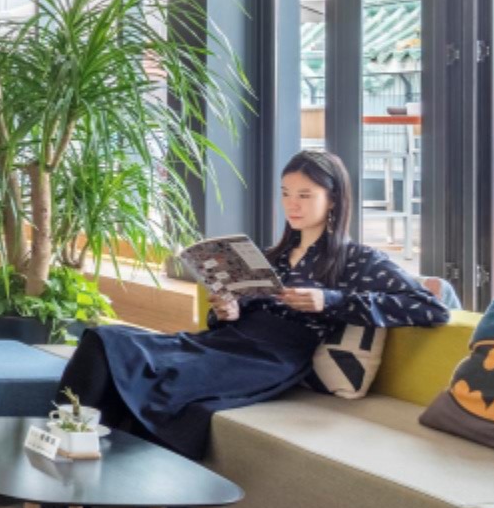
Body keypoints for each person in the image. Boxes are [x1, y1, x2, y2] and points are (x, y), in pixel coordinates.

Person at [57, 149, 446, 459]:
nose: (292, 204)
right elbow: (228, 316)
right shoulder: (271, 256)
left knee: (152, 377)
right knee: (105, 339)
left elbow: (430, 308)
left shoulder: (358, 260)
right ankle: (69, 459)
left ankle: (76, 484)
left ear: (333, 200)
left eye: (305, 195)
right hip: (227, 342)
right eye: (286, 193)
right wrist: (226, 312)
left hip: (270, 357)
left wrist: (330, 300)